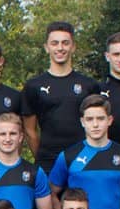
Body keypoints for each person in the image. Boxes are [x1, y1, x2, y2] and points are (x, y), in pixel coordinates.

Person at [47, 94, 120, 209]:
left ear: (109, 120)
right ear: (82, 122)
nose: (95, 124)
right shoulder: (68, 156)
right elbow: (50, 192)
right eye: (90, 119)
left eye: (100, 118)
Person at [20, 20, 98, 166]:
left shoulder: (89, 85)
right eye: (55, 43)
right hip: (48, 162)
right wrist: (42, 158)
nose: (60, 48)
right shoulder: (33, 86)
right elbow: (30, 131)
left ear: (73, 47)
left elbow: (98, 124)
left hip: (83, 159)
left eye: (65, 43)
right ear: (46, 47)